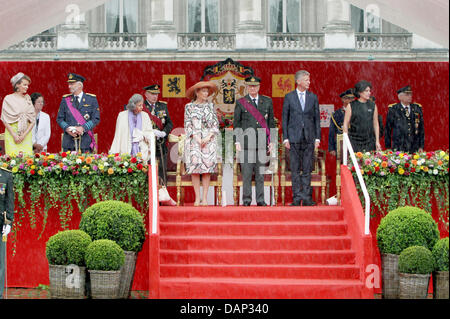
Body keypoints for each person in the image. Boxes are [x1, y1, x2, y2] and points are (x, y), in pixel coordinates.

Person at [234, 76, 275, 206]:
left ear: (259, 87)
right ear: (247, 87)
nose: (253, 88)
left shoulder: (267, 102)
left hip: (262, 142)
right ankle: (246, 200)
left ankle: (260, 200)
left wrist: (272, 141)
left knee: (260, 174)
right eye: (250, 86)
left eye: (255, 86)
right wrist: (237, 142)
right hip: (246, 143)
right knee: (246, 174)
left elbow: (271, 123)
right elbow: (237, 124)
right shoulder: (241, 102)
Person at [282, 70, 321, 206]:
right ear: (298, 81)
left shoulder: (313, 97)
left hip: (309, 137)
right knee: (295, 169)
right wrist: (285, 138)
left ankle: (307, 197)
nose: (309, 82)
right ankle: (297, 197)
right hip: (293, 138)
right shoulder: (289, 97)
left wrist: (317, 138)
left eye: (309, 80)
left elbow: (317, 119)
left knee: (307, 168)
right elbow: (285, 119)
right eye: (306, 80)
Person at [184, 81, 219, 206]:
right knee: (195, 169)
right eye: (203, 91)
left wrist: (208, 137)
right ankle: (197, 197)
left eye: (207, 91)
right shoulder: (189, 107)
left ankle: (204, 197)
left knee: (206, 169)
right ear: (197, 93)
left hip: (208, 141)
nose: (206, 94)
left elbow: (215, 124)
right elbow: (187, 125)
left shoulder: (210, 106)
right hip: (194, 140)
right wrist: (197, 138)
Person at [56, 73, 100, 153]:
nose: (69, 86)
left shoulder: (91, 99)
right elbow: (59, 119)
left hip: (85, 142)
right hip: (68, 142)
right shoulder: (65, 100)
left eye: (72, 84)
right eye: (69, 84)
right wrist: (68, 129)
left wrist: (82, 128)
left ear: (80, 85)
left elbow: (96, 118)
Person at [142, 84, 173, 183]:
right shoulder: (141, 106)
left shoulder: (162, 106)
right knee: (146, 168)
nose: (155, 96)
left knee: (162, 170)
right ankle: (148, 192)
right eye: (152, 94)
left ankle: (162, 192)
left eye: (157, 94)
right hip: (146, 143)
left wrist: (164, 133)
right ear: (146, 94)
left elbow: (169, 123)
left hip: (160, 142)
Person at [109, 94, 153, 162]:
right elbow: (118, 135)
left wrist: (143, 135)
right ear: (133, 105)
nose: (142, 107)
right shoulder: (122, 115)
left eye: (142, 105)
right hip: (126, 149)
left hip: (142, 151)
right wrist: (115, 152)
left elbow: (150, 133)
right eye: (139, 105)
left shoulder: (145, 116)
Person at [1, 72, 36, 156]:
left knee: (26, 162)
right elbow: (4, 120)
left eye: (27, 85)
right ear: (17, 85)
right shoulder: (8, 99)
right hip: (12, 134)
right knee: (12, 161)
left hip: (26, 135)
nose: (27, 87)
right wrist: (14, 135)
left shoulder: (27, 99)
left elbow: (33, 120)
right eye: (24, 85)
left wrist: (24, 135)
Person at [343, 80, 381, 153]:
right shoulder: (351, 105)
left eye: (369, 91)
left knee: (369, 162)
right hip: (354, 140)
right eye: (366, 91)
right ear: (359, 92)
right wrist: (346, 141)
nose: (369, 93)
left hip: (369, 141)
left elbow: (376, 124)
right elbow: (345, 124)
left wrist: (377, 141)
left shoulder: (373, 105)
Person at [385, 85, 424, 153]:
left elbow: (421, 129)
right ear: (400, 97)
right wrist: (388, 147)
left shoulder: (416, 108)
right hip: (399, 145)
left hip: (414, 146)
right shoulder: (394, 109)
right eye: (407, 94)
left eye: (410, 94)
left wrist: (421, 146)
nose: (410, 96)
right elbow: (388, 129)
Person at [0, 166, 14, 299]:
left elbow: (10, 201)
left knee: (0, 261)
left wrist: (9, 222)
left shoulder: (6, 175)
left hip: (0, 222)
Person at [328, 89, 355, 157]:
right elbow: (331, 132)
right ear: (343, 99)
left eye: (353, 98)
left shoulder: (357, 112)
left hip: (355, 144)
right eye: (349, 98)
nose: (351, 100)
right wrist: (331, 148)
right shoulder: (336, 114)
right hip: (342, 145)